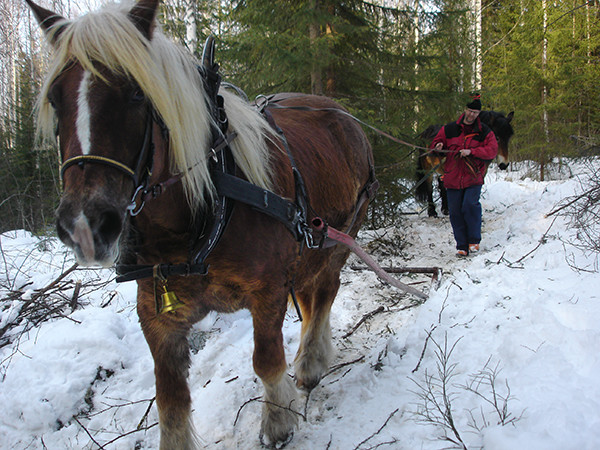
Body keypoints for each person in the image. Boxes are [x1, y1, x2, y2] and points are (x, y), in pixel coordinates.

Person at [430, 94, 498, 256]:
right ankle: (461, 245)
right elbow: (436, 144)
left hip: (473, 176)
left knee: (469, 205)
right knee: (455, 211)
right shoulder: (449, 129)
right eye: (470, 111)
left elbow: (492, 150)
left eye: (475, 112)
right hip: (453, 177)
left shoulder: (484, 132)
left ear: (478, 114)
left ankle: (474, 240)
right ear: (465, 110)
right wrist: (438, 146)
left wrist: (472, 152)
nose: (472, 115)